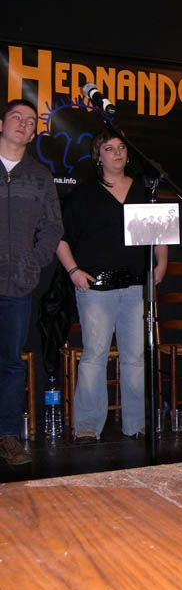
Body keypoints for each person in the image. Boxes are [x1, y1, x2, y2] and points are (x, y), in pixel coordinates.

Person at [56, 128, 167, 441]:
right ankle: (88, 425)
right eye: (109, 148)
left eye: (121, 147)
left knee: (135, 357)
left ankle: (137, 423)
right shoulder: (84, 194)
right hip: (96, 288)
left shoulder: (144, 190)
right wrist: (74, 271)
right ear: (98, 157)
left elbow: (159, 233)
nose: (117, 153)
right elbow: (59, 237)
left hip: (136, 287)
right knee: (94, 356)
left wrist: (161, 264)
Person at [0, 99, 63, 465]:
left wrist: (33, 261)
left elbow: (53, 227)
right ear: (2, 124)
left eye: (30, 120)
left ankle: (8, 436)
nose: (24, 124)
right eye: (16, 117)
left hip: (17, 286)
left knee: (10, 362)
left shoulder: (40, 175)